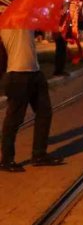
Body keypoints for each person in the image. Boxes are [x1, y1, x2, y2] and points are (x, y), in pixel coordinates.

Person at [0, 28, 63, 172]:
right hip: (17, 74)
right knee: (14, 119)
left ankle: (39, 155)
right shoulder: (8, 19)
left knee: (45, 113)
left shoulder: (26, 20)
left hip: (35, 72)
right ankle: (6, 160)